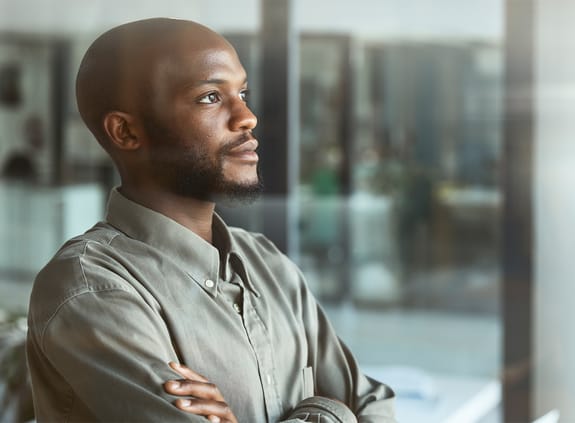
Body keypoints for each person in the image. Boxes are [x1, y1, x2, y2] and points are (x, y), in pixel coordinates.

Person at [26, 18, 396, 422]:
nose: (247, 117)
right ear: (126, 131)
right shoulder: (92, 290)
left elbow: (376, 407)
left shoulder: (268, 264)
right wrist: (333, 412)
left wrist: (320, 410)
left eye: (242, 92)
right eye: (210, 97)